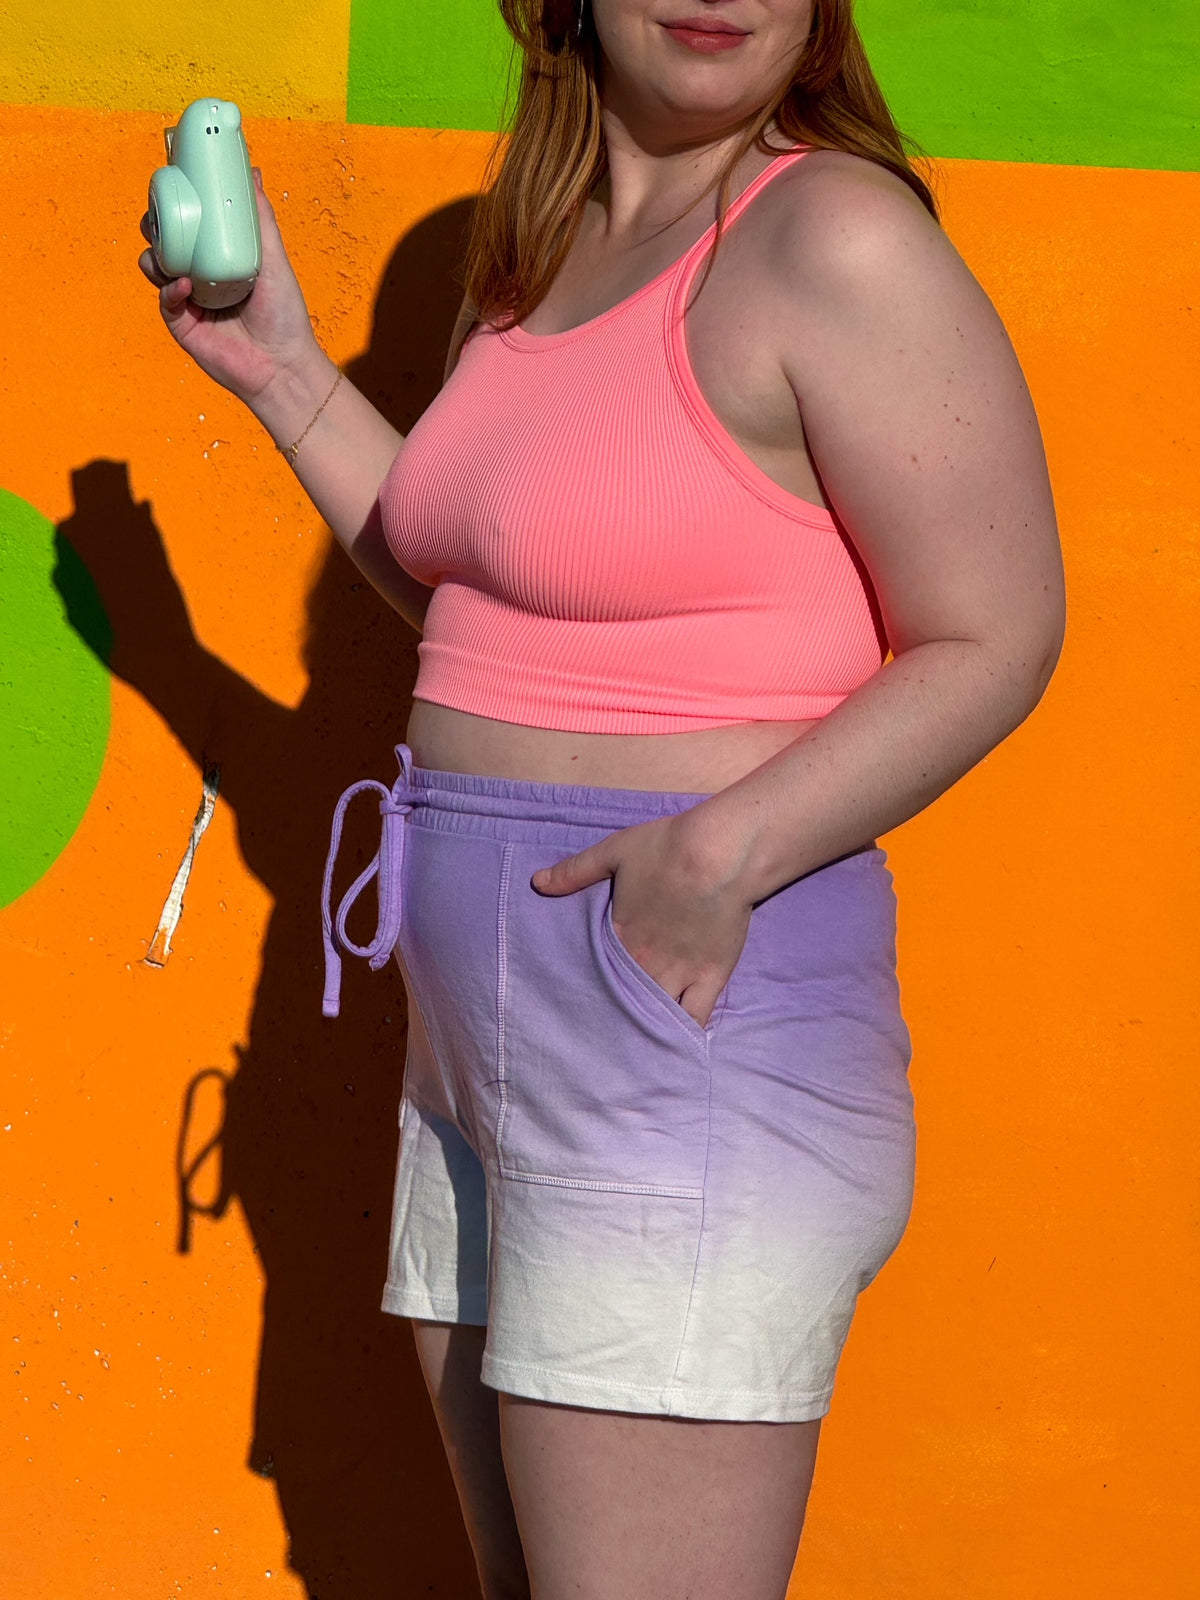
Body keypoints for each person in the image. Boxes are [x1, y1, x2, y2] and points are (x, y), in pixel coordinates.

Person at [140, 2, 1064, 1596]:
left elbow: (1000, 631)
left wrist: (724, 852)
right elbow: (489, 601)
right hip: (471, 1037)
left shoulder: (831, 239)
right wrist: (284, 375)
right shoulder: (540, 257)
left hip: (672, 1014)